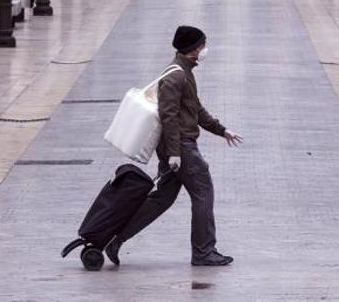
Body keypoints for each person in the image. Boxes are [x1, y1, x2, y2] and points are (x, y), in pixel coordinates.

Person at [104, 26, 243, 268]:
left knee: (160, 200)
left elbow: (195, 110)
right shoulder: (175, 76)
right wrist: (175, 154)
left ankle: (115, 241)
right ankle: (204, 252)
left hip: (178, 148)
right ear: (192, 50)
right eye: (202, 46)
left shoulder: (184, 71)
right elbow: (168, 116)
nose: (205, 50)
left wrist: (222, 130)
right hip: (181, 149)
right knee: (203, 194)